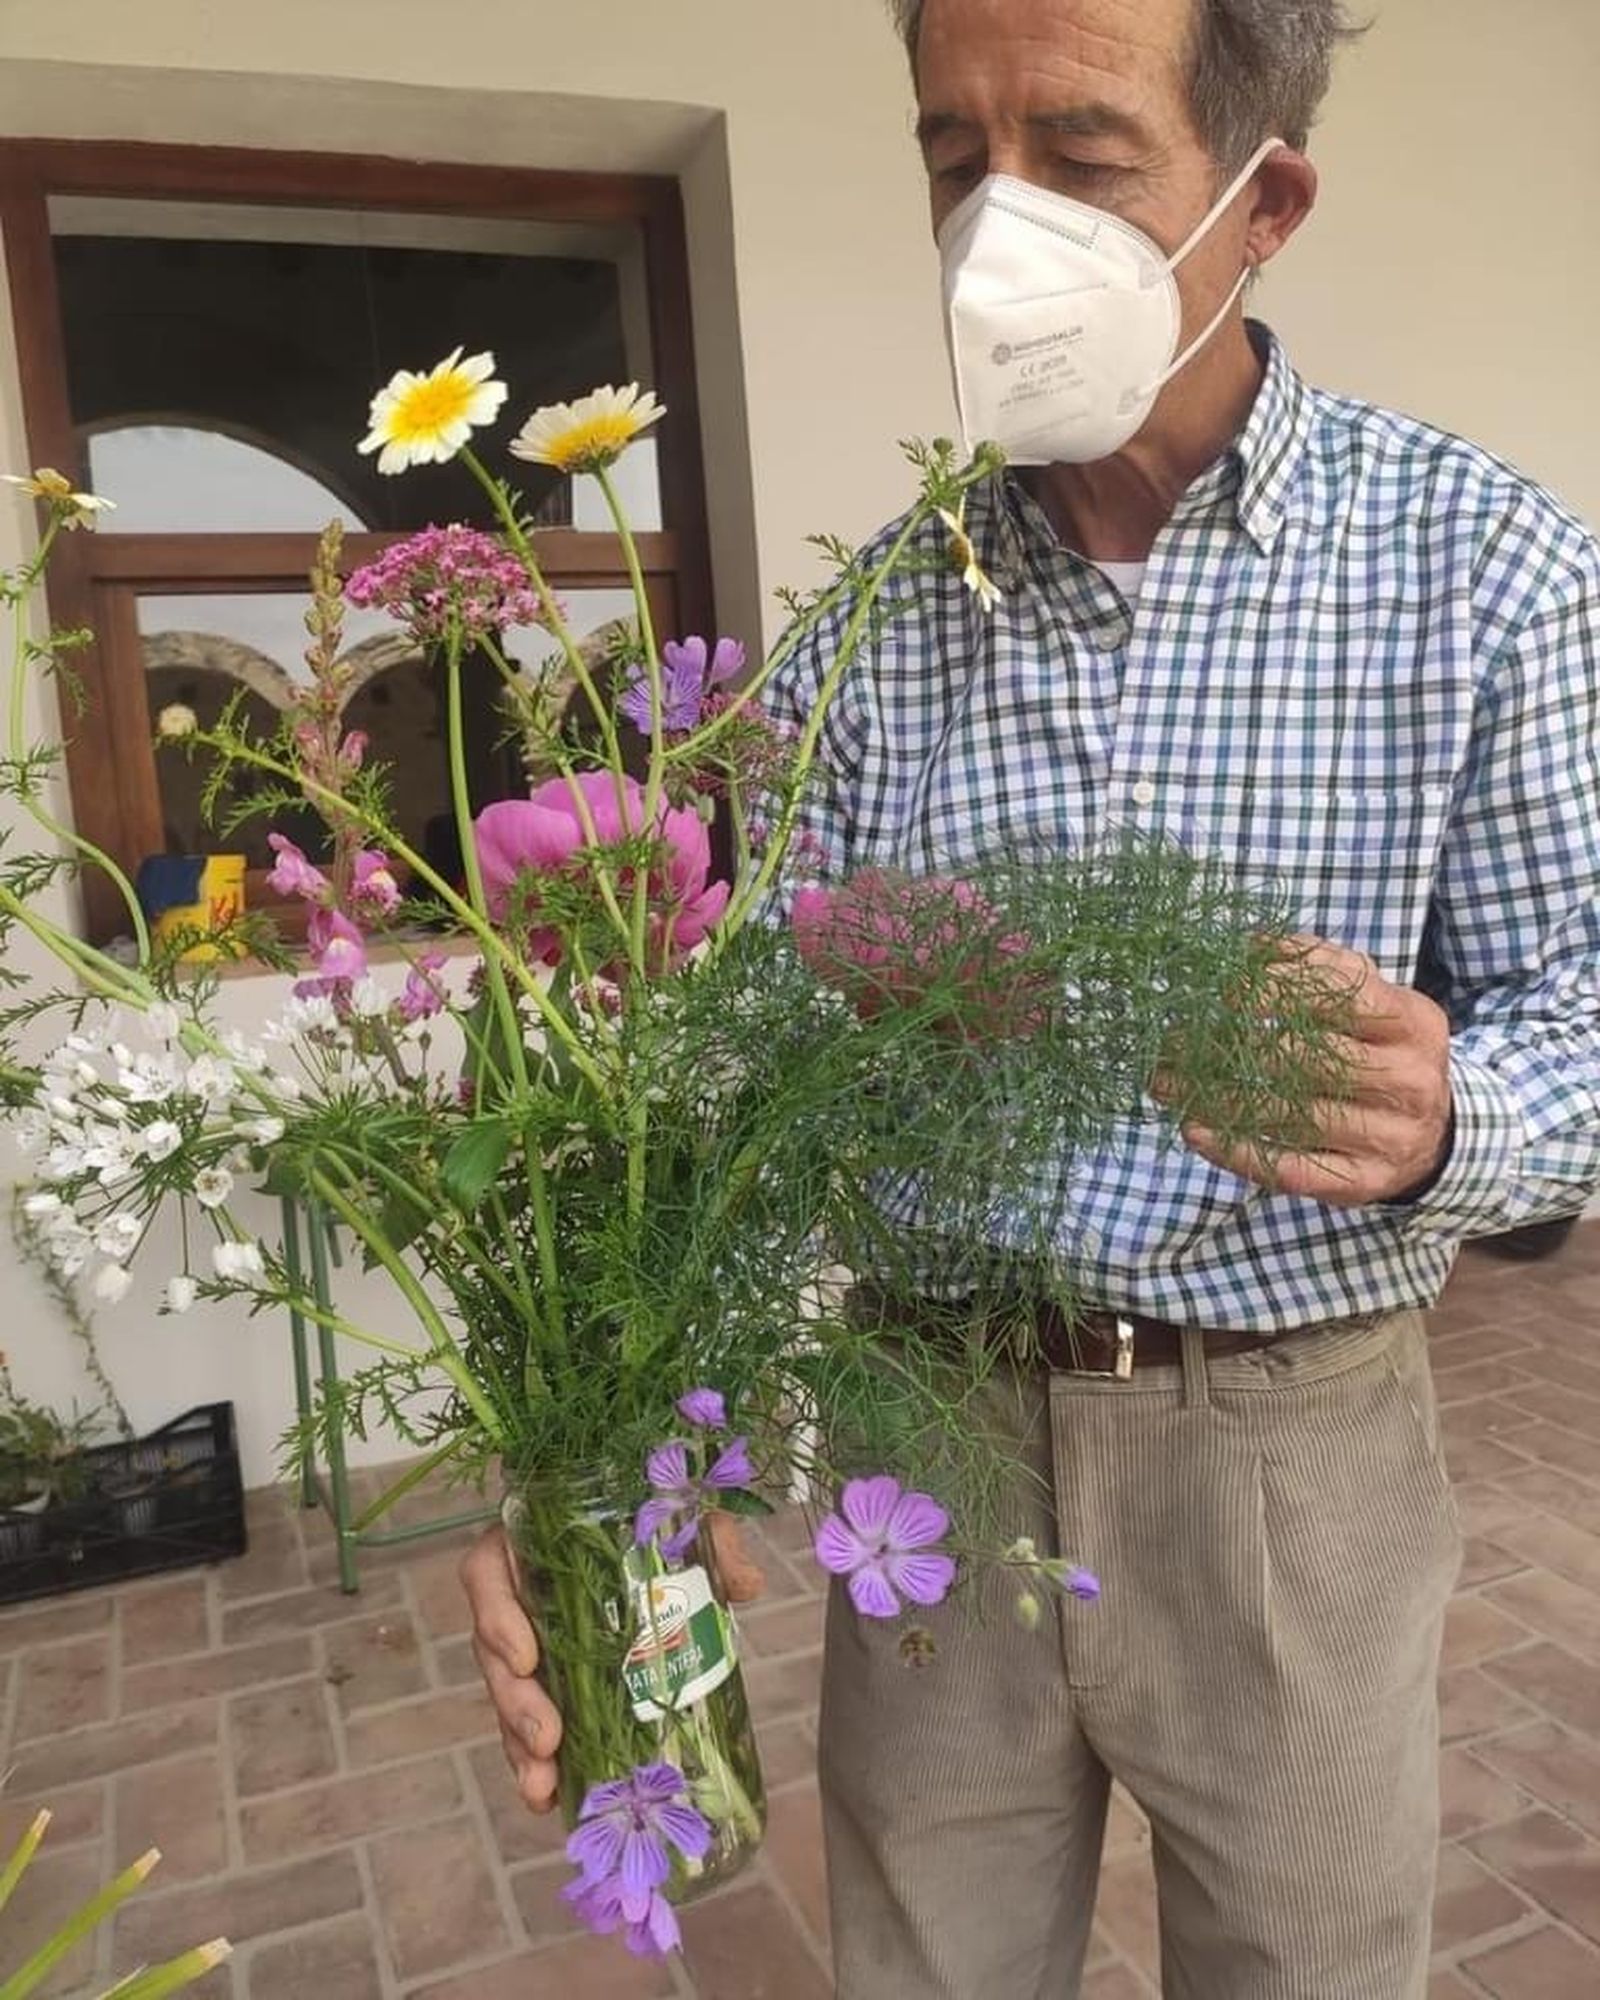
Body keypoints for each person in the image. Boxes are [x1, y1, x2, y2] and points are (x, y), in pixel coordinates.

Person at [462, 2, 1600, 1993]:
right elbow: (737, 1068)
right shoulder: (874, 618)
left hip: (1287, 1450)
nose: (998, 232)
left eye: (1077, 164)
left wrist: (1456, 1114)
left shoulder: (1484, 571)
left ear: (1264, 205)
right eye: (948, 158)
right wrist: (623, 1453)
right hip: (929, 1438)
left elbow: (1575, 999)